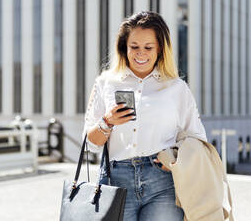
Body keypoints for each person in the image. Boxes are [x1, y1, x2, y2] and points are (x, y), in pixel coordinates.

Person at [83, 11, 207, 221]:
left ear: (160, 49)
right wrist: (107, 122)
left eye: (148, 47)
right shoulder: (106, 82)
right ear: (124, 47)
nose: (141, 54)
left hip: (163, 182)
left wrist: (174, 157)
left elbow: (197, 139)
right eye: (134, 47)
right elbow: (89, 144)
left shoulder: (177, 88)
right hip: (116, 181)